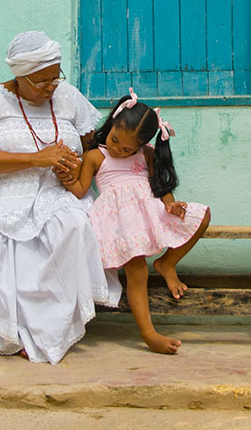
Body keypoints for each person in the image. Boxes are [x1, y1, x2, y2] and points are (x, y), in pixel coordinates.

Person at [0, 31, 120, 363]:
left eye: (55, 77)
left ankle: (42, 332)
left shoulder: (68, 97)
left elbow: (93, 148)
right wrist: (38, 158)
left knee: (72, 228)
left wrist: (72, 170)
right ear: (19, 76)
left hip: (53, 192)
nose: (51, 87)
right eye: (41, 82)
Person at [60, 89, 211, 355]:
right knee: (137, 269)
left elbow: (159, 187)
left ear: (140, 146)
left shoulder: (147, 155)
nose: (118, 149)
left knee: (202, 216)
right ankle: (148, 333)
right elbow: (81, 188)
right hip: (119, 220)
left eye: (127, 148)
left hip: (147, 211)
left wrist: (171, 205)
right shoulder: (97, 156)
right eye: (115, 140)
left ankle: (167, 263)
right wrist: (66, 177)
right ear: (113, 123)